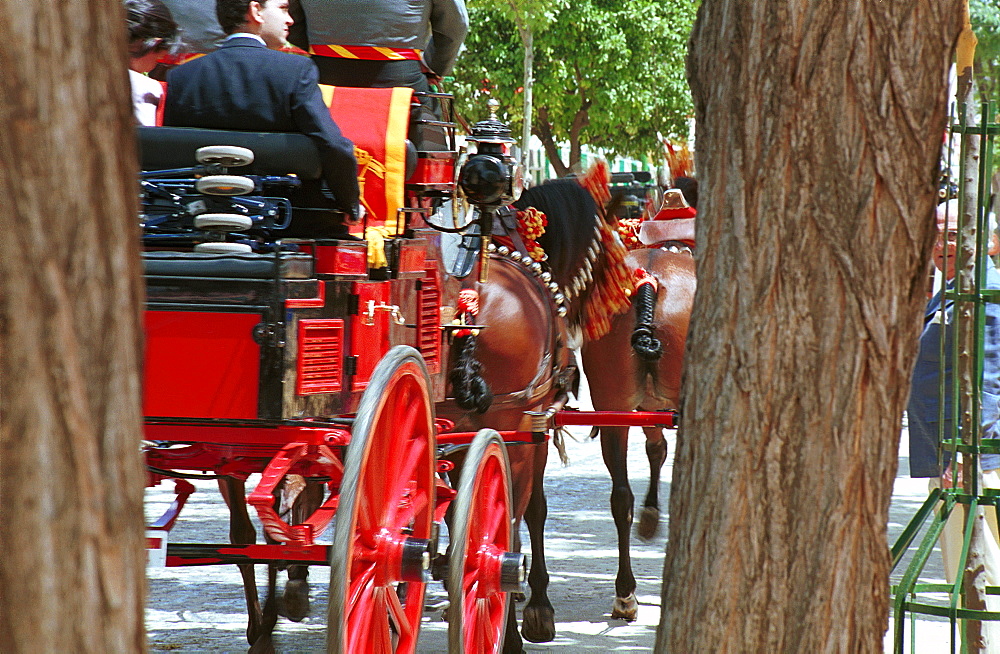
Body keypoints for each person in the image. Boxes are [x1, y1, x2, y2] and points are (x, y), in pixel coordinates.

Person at [163, 0, 361, 234]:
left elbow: (173, 162)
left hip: (204, 216)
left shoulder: (181, 76)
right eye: (283, 8)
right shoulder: (295, 70)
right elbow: (331, 145)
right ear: (255, 10)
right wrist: (349, 203)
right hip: (286, 218)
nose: (290, 20)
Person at [908, 199, 1000, 591]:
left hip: (973, 464)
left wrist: (968, 455)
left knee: (980, 580)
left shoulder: (984, 292)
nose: (940, 246)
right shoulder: (952, 288)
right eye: (934, 236)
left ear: (987, 242)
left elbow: (989, 381)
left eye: (952, 235)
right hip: (949, 455)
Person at [287, 0, 469, 92]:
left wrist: (324, 47)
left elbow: (289, 20)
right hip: (403, 82)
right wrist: (433, 68)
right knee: (432, 150)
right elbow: (455, 26)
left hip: (323, 79)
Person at [125, 0, 181, 125]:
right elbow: (147, 139)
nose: (155, 66)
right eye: (158, 59)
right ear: (155, 43)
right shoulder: (143, 87)